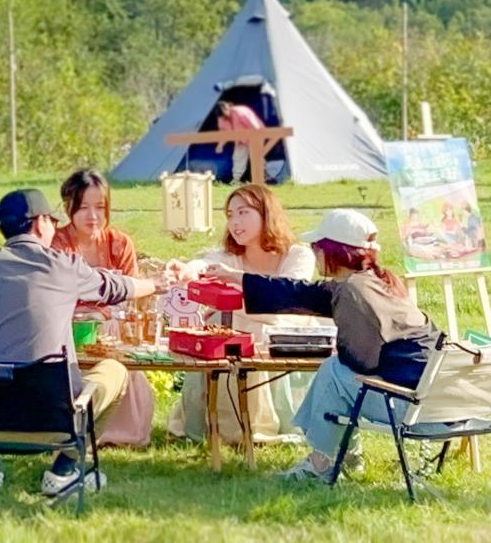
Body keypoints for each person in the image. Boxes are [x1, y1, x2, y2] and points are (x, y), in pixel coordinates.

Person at [0, 189, 173, 494]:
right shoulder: (65, 266)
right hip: (53, 424)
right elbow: (113, 287)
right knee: (116, 371)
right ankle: (64, 469)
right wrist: (154, 284)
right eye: (52, 221)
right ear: (40, 223)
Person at [204, 209, 444, 480]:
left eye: (316, 247)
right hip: (439, 403)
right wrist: (236, 276)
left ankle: (321, 464)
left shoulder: (353, 291)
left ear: (332, 251)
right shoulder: (377, 281)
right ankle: (346, 455)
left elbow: (362, 361)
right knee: (336, 371)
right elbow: (300, 293)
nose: (313, 253)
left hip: (410, 409)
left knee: (334, 372)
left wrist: (338, 347)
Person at [165, 185, 318, 444]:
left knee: (248, 327)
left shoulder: (298, 255)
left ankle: (262, 423)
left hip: (287, 331)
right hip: (248, 327)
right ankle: (223, 424)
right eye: (230, 214)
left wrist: (238, 300)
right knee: (224, 325)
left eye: (243, 212)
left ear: (265, 214)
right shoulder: (231, 257)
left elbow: (285, 300)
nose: (235, 222)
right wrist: (188, 268)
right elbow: (206, 265)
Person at [51, 168, 154, 449]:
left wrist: (102, 313)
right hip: (69, 326)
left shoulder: (120, 243)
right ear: (68, 208)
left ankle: (123, 432)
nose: (92, 216)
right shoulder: (57, 244)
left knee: (117, 337)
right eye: (83, 208)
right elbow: (57, 293)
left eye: (100, 207)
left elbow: (131, 291)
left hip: (113, 325)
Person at [216, 101, 265, 184]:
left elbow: (255, 126)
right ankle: (236, 179)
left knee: (256, 157)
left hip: (255, 135)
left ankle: (264, 177)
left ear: (227, 108)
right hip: (240, 140)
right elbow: (224, 133)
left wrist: (253, 141)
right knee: (238, 157)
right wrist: (220, 145)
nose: (223, 118)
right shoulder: (221, 118)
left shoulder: (241, 112)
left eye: (224, 115)